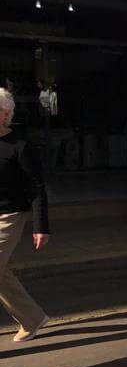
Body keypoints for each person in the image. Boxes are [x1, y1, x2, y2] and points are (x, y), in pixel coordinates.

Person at [0, 89, 51, 343]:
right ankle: (32, 318)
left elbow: (37, 187)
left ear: (5, 114)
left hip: (9, 215)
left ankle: (31, 318)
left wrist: (41, 226)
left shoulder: (20, 145)